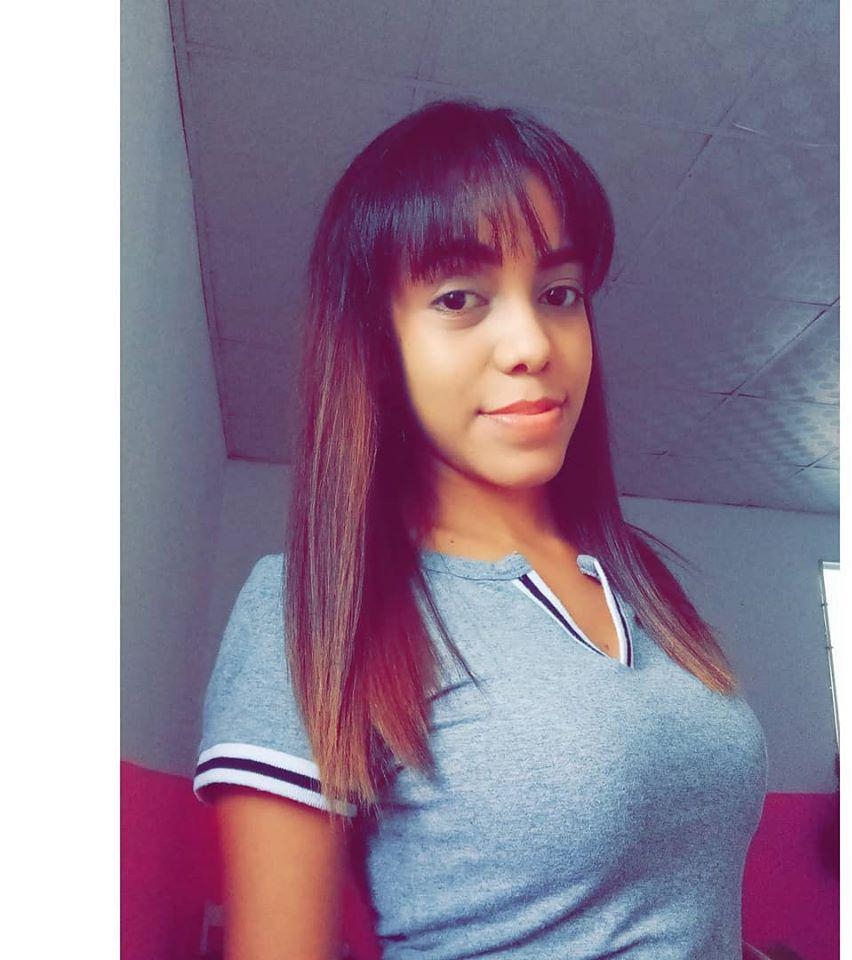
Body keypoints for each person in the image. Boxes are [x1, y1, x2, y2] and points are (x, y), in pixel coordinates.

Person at [193, 99, 769, 960]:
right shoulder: (311, 608)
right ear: (376, 341)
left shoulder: (641, 581)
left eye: (559, 294)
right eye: (460, 298)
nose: (532, 343)